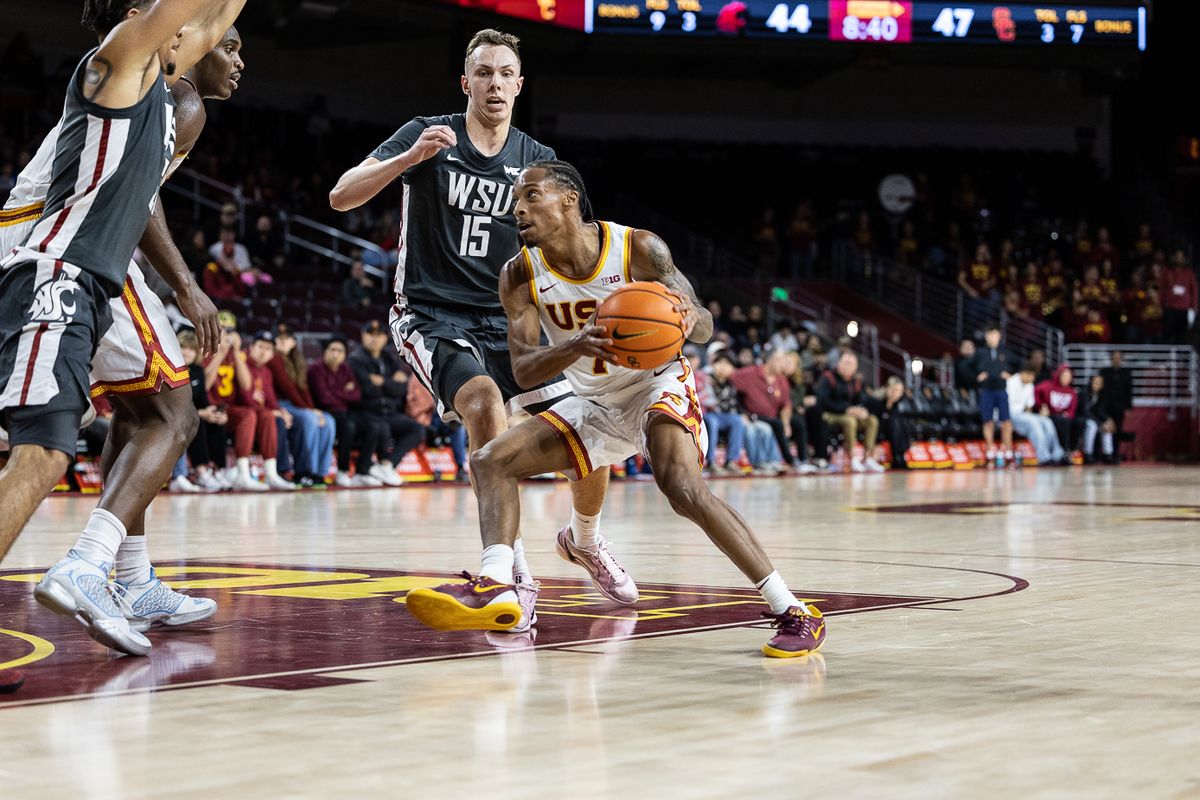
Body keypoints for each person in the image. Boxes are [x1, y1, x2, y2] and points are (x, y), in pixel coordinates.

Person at [404, 162, 826, 658]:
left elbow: (706, 324)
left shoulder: (640, 248)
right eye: (515, 200)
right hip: (593, 401)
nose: (516, 208)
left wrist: (690, 318)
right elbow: (524, 371)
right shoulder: (519, 275)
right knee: (490, 460)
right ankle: (496, 582)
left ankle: (792, 609)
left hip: (657, 384)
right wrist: (577, 345)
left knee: (681, 487)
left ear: (568, 200)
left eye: (530, 196)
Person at [328, 28, 611, 611]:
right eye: (484, 73)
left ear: (520, 84)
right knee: (483, 403)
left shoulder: (538, 162)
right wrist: (408, 161)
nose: (496, 84)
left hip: (512, 322)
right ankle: (512, 570)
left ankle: (585, 540)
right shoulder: (428, 135)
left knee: (588, 427)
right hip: (432, 313)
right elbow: (341, 196)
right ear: (466, 83)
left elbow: (576, 245)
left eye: (506, 73)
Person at [2, 2, 246, 658]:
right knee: (144, 417)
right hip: (53, 251)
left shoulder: (161, 94)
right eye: (226, 40)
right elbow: (135, 205)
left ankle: (126, 575)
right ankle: (100, 566)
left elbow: (139, 192)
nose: (234, 53)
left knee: (145, 412)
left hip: (75, 253)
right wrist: (189, 286)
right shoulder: (163, 88)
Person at [348, 320, 425, 487]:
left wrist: (382, 382)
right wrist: (391, 383)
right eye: (370, 334)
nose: (374, 339)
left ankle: (387, 465)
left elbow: (402, 387)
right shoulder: (355, 360)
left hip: (389, 412)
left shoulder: (389, 358)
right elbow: (366, 389)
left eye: (379, 335)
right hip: (366, 411)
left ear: (385, 338)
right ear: (363, 336)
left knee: (417, 429)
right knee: (380, 427)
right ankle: (367, 469)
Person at [308, 337, 382, 487]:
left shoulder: (346, 368)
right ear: (325, 352)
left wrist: (334, 392)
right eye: (332, 350)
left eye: (340, 351)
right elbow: (324, 399)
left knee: (373, 426)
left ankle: (362, 471)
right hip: (325, 412)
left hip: (346, 410)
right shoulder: (315, 369)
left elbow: (356, 394)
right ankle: (342, 470)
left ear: (344, 355)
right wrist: (343, 391)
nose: (336, 354)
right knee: (348, 426)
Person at [269, 323, 335, 488]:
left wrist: (313, 409)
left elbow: (303, 388)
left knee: (328, 421)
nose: (283, 342)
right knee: (309, 419)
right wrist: (309, 410)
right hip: (281, 403)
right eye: (279, 338)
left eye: (287, 339)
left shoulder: (297, 360)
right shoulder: (274, 358)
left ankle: (321, 472)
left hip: (296, 403)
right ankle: (308, 471)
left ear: (293, 342)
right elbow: (287, 388)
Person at [241, 331, 297, 490]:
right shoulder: (242, 363)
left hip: (261, 415)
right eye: (260, 346)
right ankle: (278, 471)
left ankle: (280, 472)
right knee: (269, 417)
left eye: (267, 348)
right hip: (246, 414)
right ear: (251, 347)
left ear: (272, 354)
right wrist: (272, 411)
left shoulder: (266, 371)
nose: (262, 352)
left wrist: (281, 411)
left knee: (281, 419)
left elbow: (271, 400)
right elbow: (244, 398)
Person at [815, 352, 885, 473]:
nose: (847, 366)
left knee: (872, 420)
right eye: (845, 363)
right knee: (850, 421)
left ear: (855, 367)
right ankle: (853, 459)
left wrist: (862, 410)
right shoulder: (827, 377)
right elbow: (823, 402)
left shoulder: (855, 381)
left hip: (849, 414)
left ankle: (868, 458)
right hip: (829, 414)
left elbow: (862, 400)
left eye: (851, 364)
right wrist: (846, 410)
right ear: (839, 364)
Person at [179, 330, 231, 491]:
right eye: (183, 347)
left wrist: (214, 412)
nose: (187, 352)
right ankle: (201, 472)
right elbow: (177, 405)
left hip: (196, 413)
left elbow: (203, 401)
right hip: (179, 416)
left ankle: (218, 470)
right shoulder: (172, 370)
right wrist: (202, 413)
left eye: (192, 349)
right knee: (197, 422)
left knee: (217, 421)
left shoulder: (198, 371)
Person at [730, 350, 799, 471]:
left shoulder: (781, 380)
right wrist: (740, 412)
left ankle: (774, 461)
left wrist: (786, 423)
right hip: (751, 416)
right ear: (772, 360)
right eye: (781, 362)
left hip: (770, 418)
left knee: (771, 427)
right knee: (761, 428)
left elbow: (786, 405)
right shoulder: (750, 373)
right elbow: (730, 378)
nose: (784, 366)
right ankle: (761, 462)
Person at [970, 323, 1015, 468]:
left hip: (1001, 390)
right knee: (987, 421)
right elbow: (965, 366)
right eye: (989, 334)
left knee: (1006, 422)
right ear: (986, 337)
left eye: (995, 334)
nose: (992, 337)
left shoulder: (1006, 352)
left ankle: (1008, 452)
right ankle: (990, 453)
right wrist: (976, 376)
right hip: (987, 391)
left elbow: (1019, 363)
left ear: (999, 336)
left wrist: (1011, 375)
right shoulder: (981, 352)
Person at [1006, 363, 1066, 465]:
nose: (1033, 379)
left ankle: (1058, 454)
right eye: (1031, 376)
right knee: (1034, 423)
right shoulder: (1011, 382)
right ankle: (1044, 457)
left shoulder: (1030, 385)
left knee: (1047, 421)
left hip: (1023, 414)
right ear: (1024, 373)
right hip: (1010, 415)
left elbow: (1029, 407)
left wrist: (1034, 415)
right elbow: (1005, 406)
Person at [700, 352, 747, 474]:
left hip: (724, 415)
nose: (723, 366)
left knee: (737, 421)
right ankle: (711, 462)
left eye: (727, 364)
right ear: (713, 364)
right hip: (707, 414)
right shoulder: (705, 378)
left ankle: (731, 461)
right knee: (713, 421)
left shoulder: (732, 383)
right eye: (719, 363)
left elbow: (733, 405)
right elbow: (705, 401)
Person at [1036, 365, 1082, 454]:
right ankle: (1064, 451)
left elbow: (1072, 409)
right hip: (1051, 415)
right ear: (1059, 375)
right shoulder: (1048, 385)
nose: (1066, 378)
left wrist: (1068, 414)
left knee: (1080, 421)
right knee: (1063, 421)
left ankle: (1072, 449)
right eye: (1064, 376)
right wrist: (1041, 406)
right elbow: (1036, 391)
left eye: (1069, 376)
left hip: (1065, 416)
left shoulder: (1072, 392)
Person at [874, 377, 912, 469]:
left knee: (899, 423)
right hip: (880, 431)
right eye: (893, 390)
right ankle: (897, 456)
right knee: (894, 422)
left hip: (896, 434)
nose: (895, 393)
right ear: (887, 389)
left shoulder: (902, 404)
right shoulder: (878, 402)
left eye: (898, 391)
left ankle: (900, 455)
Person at [1160, 251, 1197, 344]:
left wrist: (1193, 308)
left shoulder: (1189, 273)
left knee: (1181, 335)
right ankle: (1167, 356)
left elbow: (1194, 290)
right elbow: (1161, 288)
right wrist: (1160, 305)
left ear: (1184, 259)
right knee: (1167, 334)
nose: (1178, 259)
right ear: (1173, 258)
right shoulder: (1167, 271)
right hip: (1169, 307)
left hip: (1183, 308)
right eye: (1176, 257)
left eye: (1180, 257)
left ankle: (1179, 357)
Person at [1099, 350, 1133, 450]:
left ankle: (1115, 453)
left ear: (1122, 359)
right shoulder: (1104, 372)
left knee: (1118, 430)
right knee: (1105, 428)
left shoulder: (1126, 373)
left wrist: (1128, 407)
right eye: (1114, 357)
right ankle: (1104, 453)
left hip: (1120, 407)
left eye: (1118, 357)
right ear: (1111, 359)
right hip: (1105, 407)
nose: (1116, 359)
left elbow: (1129, 391)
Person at [1080, 374, 1117, 464]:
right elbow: (1085, 412)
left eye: (1099, 383)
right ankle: (1087, 453)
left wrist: (1108, 420)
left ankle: (1108, 454)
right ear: (1091, 383)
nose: (1097, 385)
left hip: (1093, 418)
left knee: (1107, 426)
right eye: (1095, 382)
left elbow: (1100, 411)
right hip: (1081, 417)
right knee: (1092, 426)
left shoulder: (1101, 394)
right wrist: (1100, 423)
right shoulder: (1084, 392)